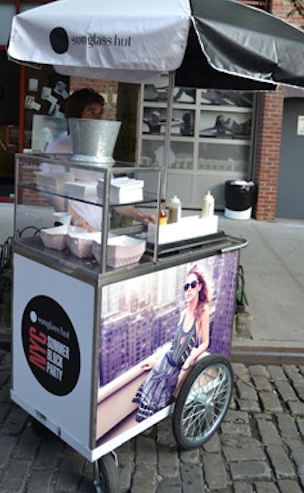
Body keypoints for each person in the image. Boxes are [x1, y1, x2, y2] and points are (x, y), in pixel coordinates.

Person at [44, 87, 155, 226]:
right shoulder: (57, 148)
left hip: (98, 228)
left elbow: (112, 195)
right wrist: (81, 224)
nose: (98, 117)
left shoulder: (101, 151)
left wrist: (140, 217)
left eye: (100, 112)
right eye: (92, 112)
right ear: (76, 116)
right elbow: (55, 196)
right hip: (70, 228)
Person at [132, 265, 211, 422]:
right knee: (144, 403)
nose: (189, 289)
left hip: (176, 370)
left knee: (158, 406)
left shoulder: (203, 312)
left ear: (200, 286)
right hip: (164, 365)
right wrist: (156, 362)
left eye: (193, 285)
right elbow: (173, 346)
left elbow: (205, 343)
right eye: (186, 286)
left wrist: (189, 360)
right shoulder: (182, 313)